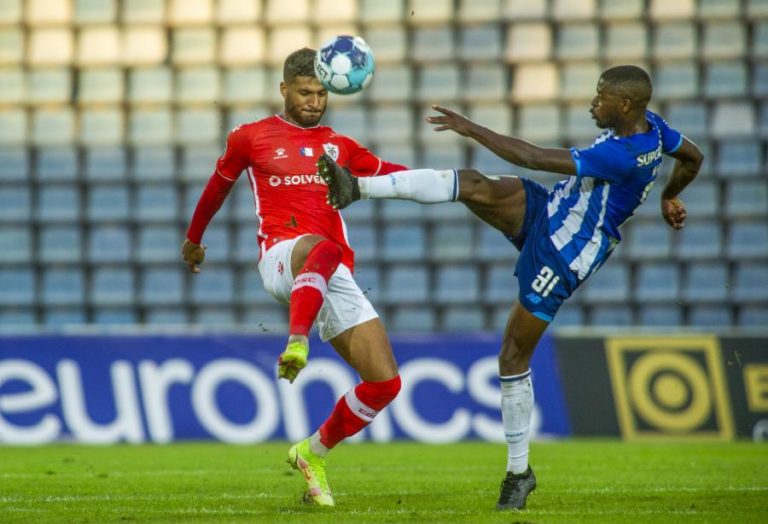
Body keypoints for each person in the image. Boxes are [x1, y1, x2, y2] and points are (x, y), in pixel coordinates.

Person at [319, 65, 704, 510]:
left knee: (512, 356)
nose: (592, 104)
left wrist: (471, 128)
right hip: (552, 210)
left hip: (565, 252)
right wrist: (669, 195)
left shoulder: (624, 154)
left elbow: (534, 158)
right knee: (473, 183)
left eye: (600, 98)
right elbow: (693, 157)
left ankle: (519, 473)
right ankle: (355, 188)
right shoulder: (653, 126)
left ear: (624, 104)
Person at [181, 48, 409, 507]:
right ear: (284, 89)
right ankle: (297, 341)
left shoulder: (340, 146)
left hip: (332, 273)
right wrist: (194, 238)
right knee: (321, 246)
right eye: (305, 93)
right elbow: (217, 187)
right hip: (282, 258)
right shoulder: (250, 137)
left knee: (384, 384)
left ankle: (312, 452)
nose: (315, 102)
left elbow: (395, 176)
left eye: (322, 93)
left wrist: (455, 185)